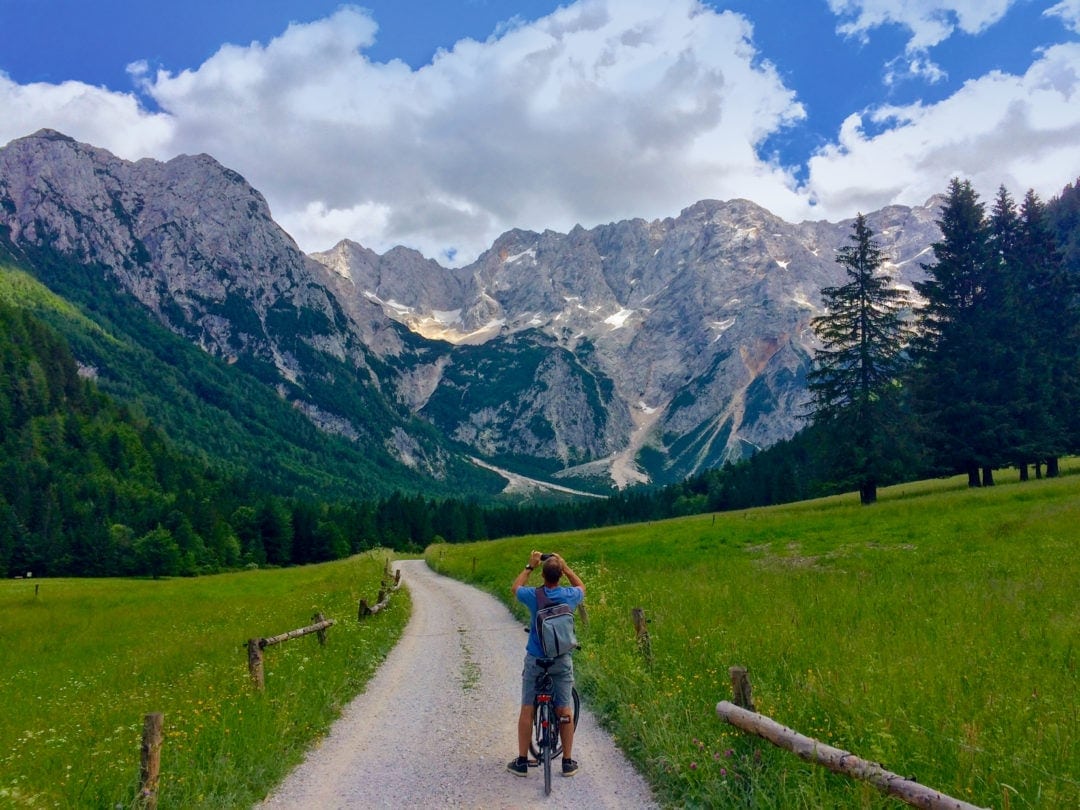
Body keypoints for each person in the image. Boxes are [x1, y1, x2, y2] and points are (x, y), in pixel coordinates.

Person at [507, 550, 586, 778]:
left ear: (543, 575)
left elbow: (515, 589)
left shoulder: (534, 595)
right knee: (564, 709)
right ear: (560, 575)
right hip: (560, 660)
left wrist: (529, 566)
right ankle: (568, 762)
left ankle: (522, 761)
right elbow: (582, 587)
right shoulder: (570, 595)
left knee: (527, 708)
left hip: (536, 659)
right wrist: (566, 566)